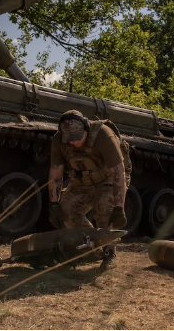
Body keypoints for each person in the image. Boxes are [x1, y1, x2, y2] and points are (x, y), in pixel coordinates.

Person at [48, 110, 130, 269]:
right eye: (70, 139)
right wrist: (53, 204)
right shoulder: (59, 141)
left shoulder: (103, 136)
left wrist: (119, 207)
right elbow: (56, 174)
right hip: (83, 182)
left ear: (86, 128)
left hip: (109, 179)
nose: (74, 143)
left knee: (105, 208)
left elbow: (119, 173)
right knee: (66, 210)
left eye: (78, 137)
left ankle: (109, 253)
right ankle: (92, 249)